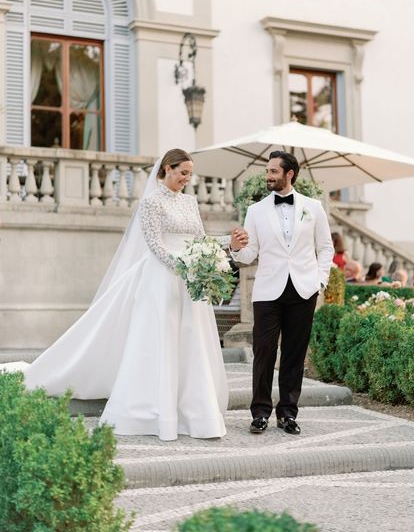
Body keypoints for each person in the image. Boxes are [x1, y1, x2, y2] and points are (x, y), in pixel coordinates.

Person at [11, 149, 249, 441]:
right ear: (167, 169)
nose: (188, 179)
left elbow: (199, 239)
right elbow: (155, 245)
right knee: (159, 340)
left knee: (190, 341)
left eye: (190, 173)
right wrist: (184, 266)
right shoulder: (150, 202)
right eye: (183, 172)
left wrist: (230, 242)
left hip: (189, 282)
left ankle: (192, 412)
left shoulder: (189, 202)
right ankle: (151, 412)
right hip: (161, 279)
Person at [230, 151, 334, 436]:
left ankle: (288, 413)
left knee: (294, 354)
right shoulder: (256, 211)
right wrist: (237, 247)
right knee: (264, 352)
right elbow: (250, 254)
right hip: (267, 290)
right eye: (267, 171)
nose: (268, 176)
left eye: (274, 171)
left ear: (290, 174)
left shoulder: (314, 207)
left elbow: (326, 248)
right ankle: (260, 412)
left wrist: (319, 281)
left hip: (304, 288)